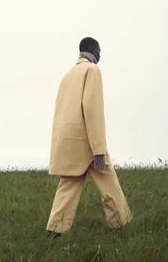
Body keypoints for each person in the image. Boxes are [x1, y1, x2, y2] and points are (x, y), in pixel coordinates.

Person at [45, 37, 133, 238]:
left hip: (67, 142)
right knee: (109, 182)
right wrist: (99, 149)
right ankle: (122, 226)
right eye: (99, 50)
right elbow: (92, 110)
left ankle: (54, 231)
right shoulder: (92, 70)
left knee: (69, 185)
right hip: (88, 143)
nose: (101, 54)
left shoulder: (68, 74)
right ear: (92, 49)